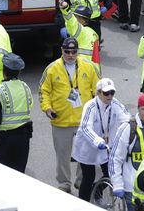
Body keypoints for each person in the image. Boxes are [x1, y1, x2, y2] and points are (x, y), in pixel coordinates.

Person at [40, 38, 98, 192]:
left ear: (77, 51)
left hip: (83, 121)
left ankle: (81, 181)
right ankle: (64, 184)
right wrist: (47, 108)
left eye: (74, 51)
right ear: (62, 50)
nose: (70, 55)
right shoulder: (52, 69)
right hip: (61, 121)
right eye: (67, 51)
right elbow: (43, 91)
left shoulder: (89, 67)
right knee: (62, 155)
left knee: (84, 154)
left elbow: (97, 91)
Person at [73, 78, 129, 201]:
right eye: (106, 93)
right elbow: (85, 127)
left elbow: (127, 119)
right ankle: (83, 202)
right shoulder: (90, 106)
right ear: (98, 93)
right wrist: (98, 141)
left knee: (110, 174)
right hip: (88, 146)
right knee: (89, 176)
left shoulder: (115, 104)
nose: (110, 96)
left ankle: (96, 191)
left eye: (112, 93)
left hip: (106, 146)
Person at [0, 53, 32, 172]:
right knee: (19, 173)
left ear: (3, 71)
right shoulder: (25, 87)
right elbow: (30, 105)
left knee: (2, 175)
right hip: (23, 139)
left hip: (3, 141)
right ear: (19, 72)